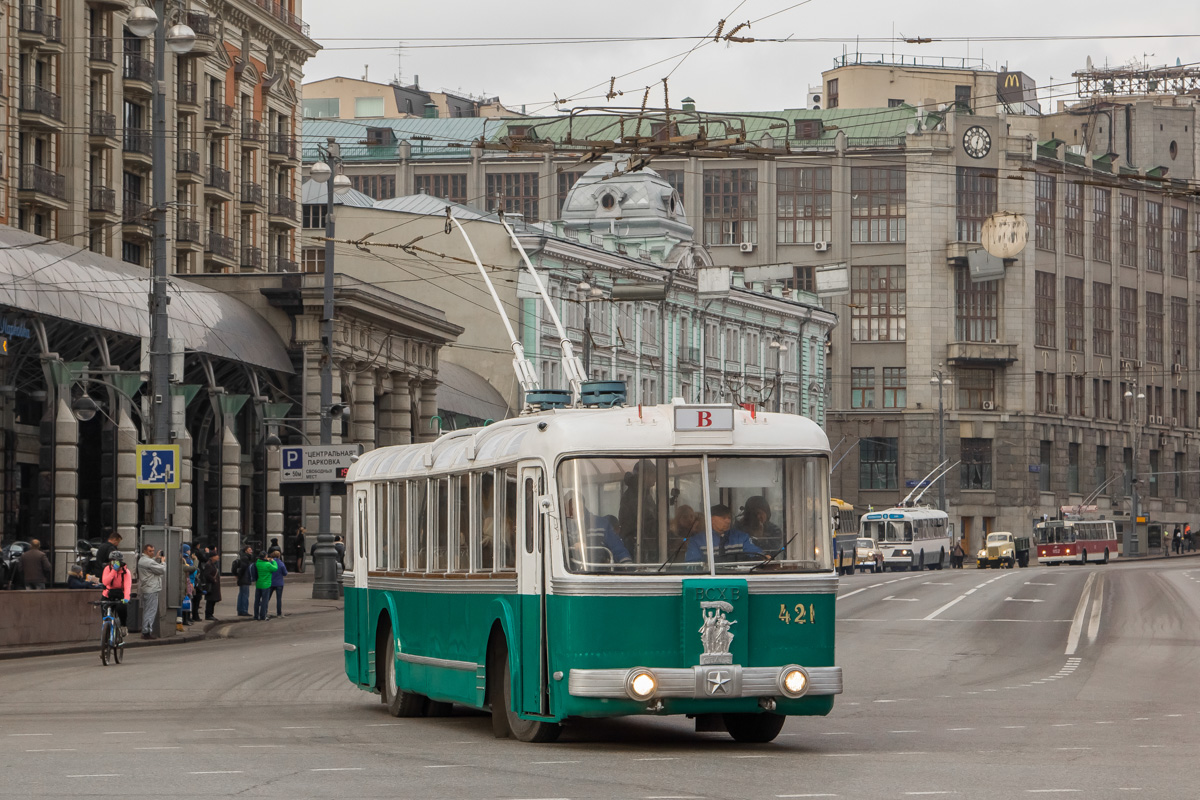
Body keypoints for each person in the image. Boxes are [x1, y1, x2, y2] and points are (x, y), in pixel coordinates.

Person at [563, 492, 631, 566]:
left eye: (575, 504)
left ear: (582, 504)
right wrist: (573, 547)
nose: (572, 508)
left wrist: (628, 565)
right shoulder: (561, 526)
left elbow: (617, 547)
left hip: (598, 572)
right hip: (570, 571)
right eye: (568, 505)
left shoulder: (601, 524)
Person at [685, 504, 764, 563]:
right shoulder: (697, 541)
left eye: (729, 518)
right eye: (723, 518)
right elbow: (692, 565)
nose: (728, 521)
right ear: (712, 519)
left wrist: (763, 557)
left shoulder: (741, 537)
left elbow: (757, 554)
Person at [618, 461, 658, 555]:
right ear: (645, 475)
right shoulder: (636, 495)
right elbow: (644, 519)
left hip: (640, 540)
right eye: (653, 475)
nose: (655, 479)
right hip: (634, 541)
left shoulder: (644, 493)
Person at [135, 543, 167, 639]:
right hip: (151, 589)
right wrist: (163, 562)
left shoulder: (142, 560)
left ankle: (146, 630)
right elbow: (162, 570)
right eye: (150, 551)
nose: (152, 552)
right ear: (145, 551)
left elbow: (149, 564)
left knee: (147, 610)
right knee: (151, 611)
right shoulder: (148, 562)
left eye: (153, 551)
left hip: (146, 588)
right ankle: (147, 631)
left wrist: (155, 558)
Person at [101, 550, 132, 635]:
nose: (114, 563)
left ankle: (123, 626)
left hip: (120, 594)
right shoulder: (107, 569)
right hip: (108, 594)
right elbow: (105, 582)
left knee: (121, 609)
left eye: (116, 561)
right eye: (112, 561)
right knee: (104, 610)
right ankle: (106, 632)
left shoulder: (126, 572)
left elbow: (127, 586)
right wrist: (113, 571)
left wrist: (126, 598)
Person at [251, 550, 278, 620]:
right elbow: (275, 568)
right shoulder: (268, 564)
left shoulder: (257, 563)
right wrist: (273, 561)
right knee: (264, 601)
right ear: (265, 557)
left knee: (257, 600)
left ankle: (256, 615)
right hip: (266, 584)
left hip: (259, 583)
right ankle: (263, 615)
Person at [180, 544, 199, 626]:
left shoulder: (186, 559)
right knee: (186, 601)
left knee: (188, 601)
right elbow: (192, 569)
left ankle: (187, 618)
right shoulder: (185, 560)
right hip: (188, 582)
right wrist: (196, 561)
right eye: (188, 549)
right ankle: (185, 619)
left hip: (189, 581)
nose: (190, 551)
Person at [233, 544, 255, 617]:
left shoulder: (243, 557)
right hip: (245, 578)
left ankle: (240, 610)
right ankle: (244, 611)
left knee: (241, 594)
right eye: (249, 549)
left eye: (251, 549)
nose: (251, 551)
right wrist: (240, 576)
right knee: (245, 595)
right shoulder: (245, 558)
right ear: (246, 551)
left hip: (243, 578)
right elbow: (243, 568)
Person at [200, 549, 222, 620]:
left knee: (213, 601)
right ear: (212, 557)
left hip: (214, 585)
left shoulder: (213, 564)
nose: (218, 556)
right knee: (210, 601)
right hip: (211, 585)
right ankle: (208, 615)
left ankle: (210, 614)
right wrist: (213, 580)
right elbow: (207, 574)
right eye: (216, 555)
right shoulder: (209, 564)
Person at [267, 547, 288, 618]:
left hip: (271, 582)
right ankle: (279, 613)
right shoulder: (281, 563)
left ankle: (264, 610)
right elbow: (285, 573)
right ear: (279, 556)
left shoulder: (269, 563)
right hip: (279, 583)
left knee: (267, 598)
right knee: (279, 599)